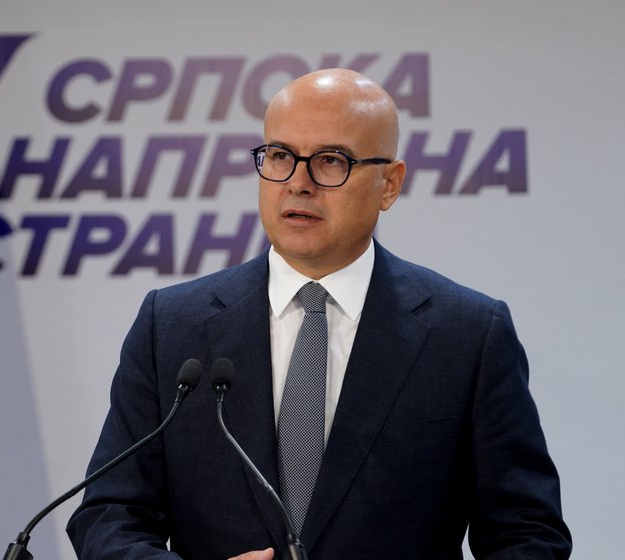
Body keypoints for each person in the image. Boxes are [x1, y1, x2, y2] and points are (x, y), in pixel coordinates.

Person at [66, 69, 571, 559]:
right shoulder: (171, 325)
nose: (298, 183)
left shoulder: (467, 334)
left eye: (331, 160)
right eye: (280, 156)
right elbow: (109, 514)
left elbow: (527, 533)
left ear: (389, 184)